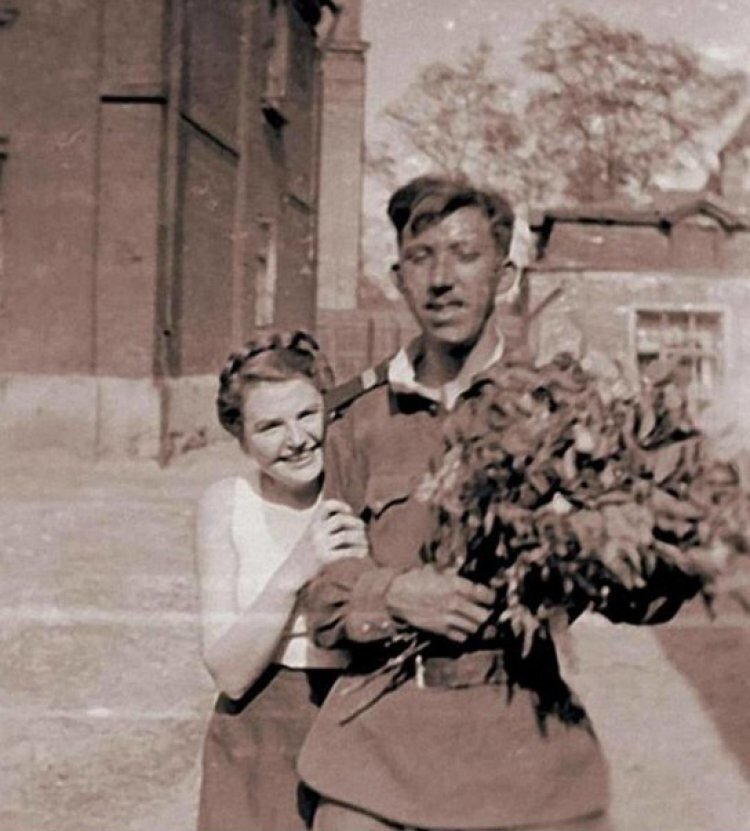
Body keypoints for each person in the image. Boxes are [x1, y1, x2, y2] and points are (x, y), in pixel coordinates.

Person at [296, 176, 701, 831]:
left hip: (521, 737)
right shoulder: (358, 421)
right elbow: (323, 596)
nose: (441, 279)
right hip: (380, 742)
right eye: (421, 257)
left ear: (505, 275)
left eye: (464, 254)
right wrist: (393, 594)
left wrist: (629, 542)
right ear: (398, 278)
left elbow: (648, 596)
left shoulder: (564, 411)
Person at [195, 330, 368, 831]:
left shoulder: (364, 495)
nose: (296, 440)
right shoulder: (227, 505)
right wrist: (296, 570)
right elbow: (230, 673)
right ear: (241, 435)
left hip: (355, 718)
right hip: (257, 734)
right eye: (270, 426)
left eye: (307, 414)